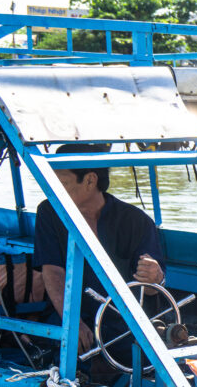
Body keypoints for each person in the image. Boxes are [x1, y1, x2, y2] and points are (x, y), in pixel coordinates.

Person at [32, 144, 165, 362]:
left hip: (123, 323)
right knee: (57, 347)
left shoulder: (136, 221)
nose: (54, 190)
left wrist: (155, 277)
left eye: (62, 183)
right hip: (68, 316)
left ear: (90, 181)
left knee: (140, 349)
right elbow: (53, 272)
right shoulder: (49, 211)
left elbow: (151, 289)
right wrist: (72, 322)